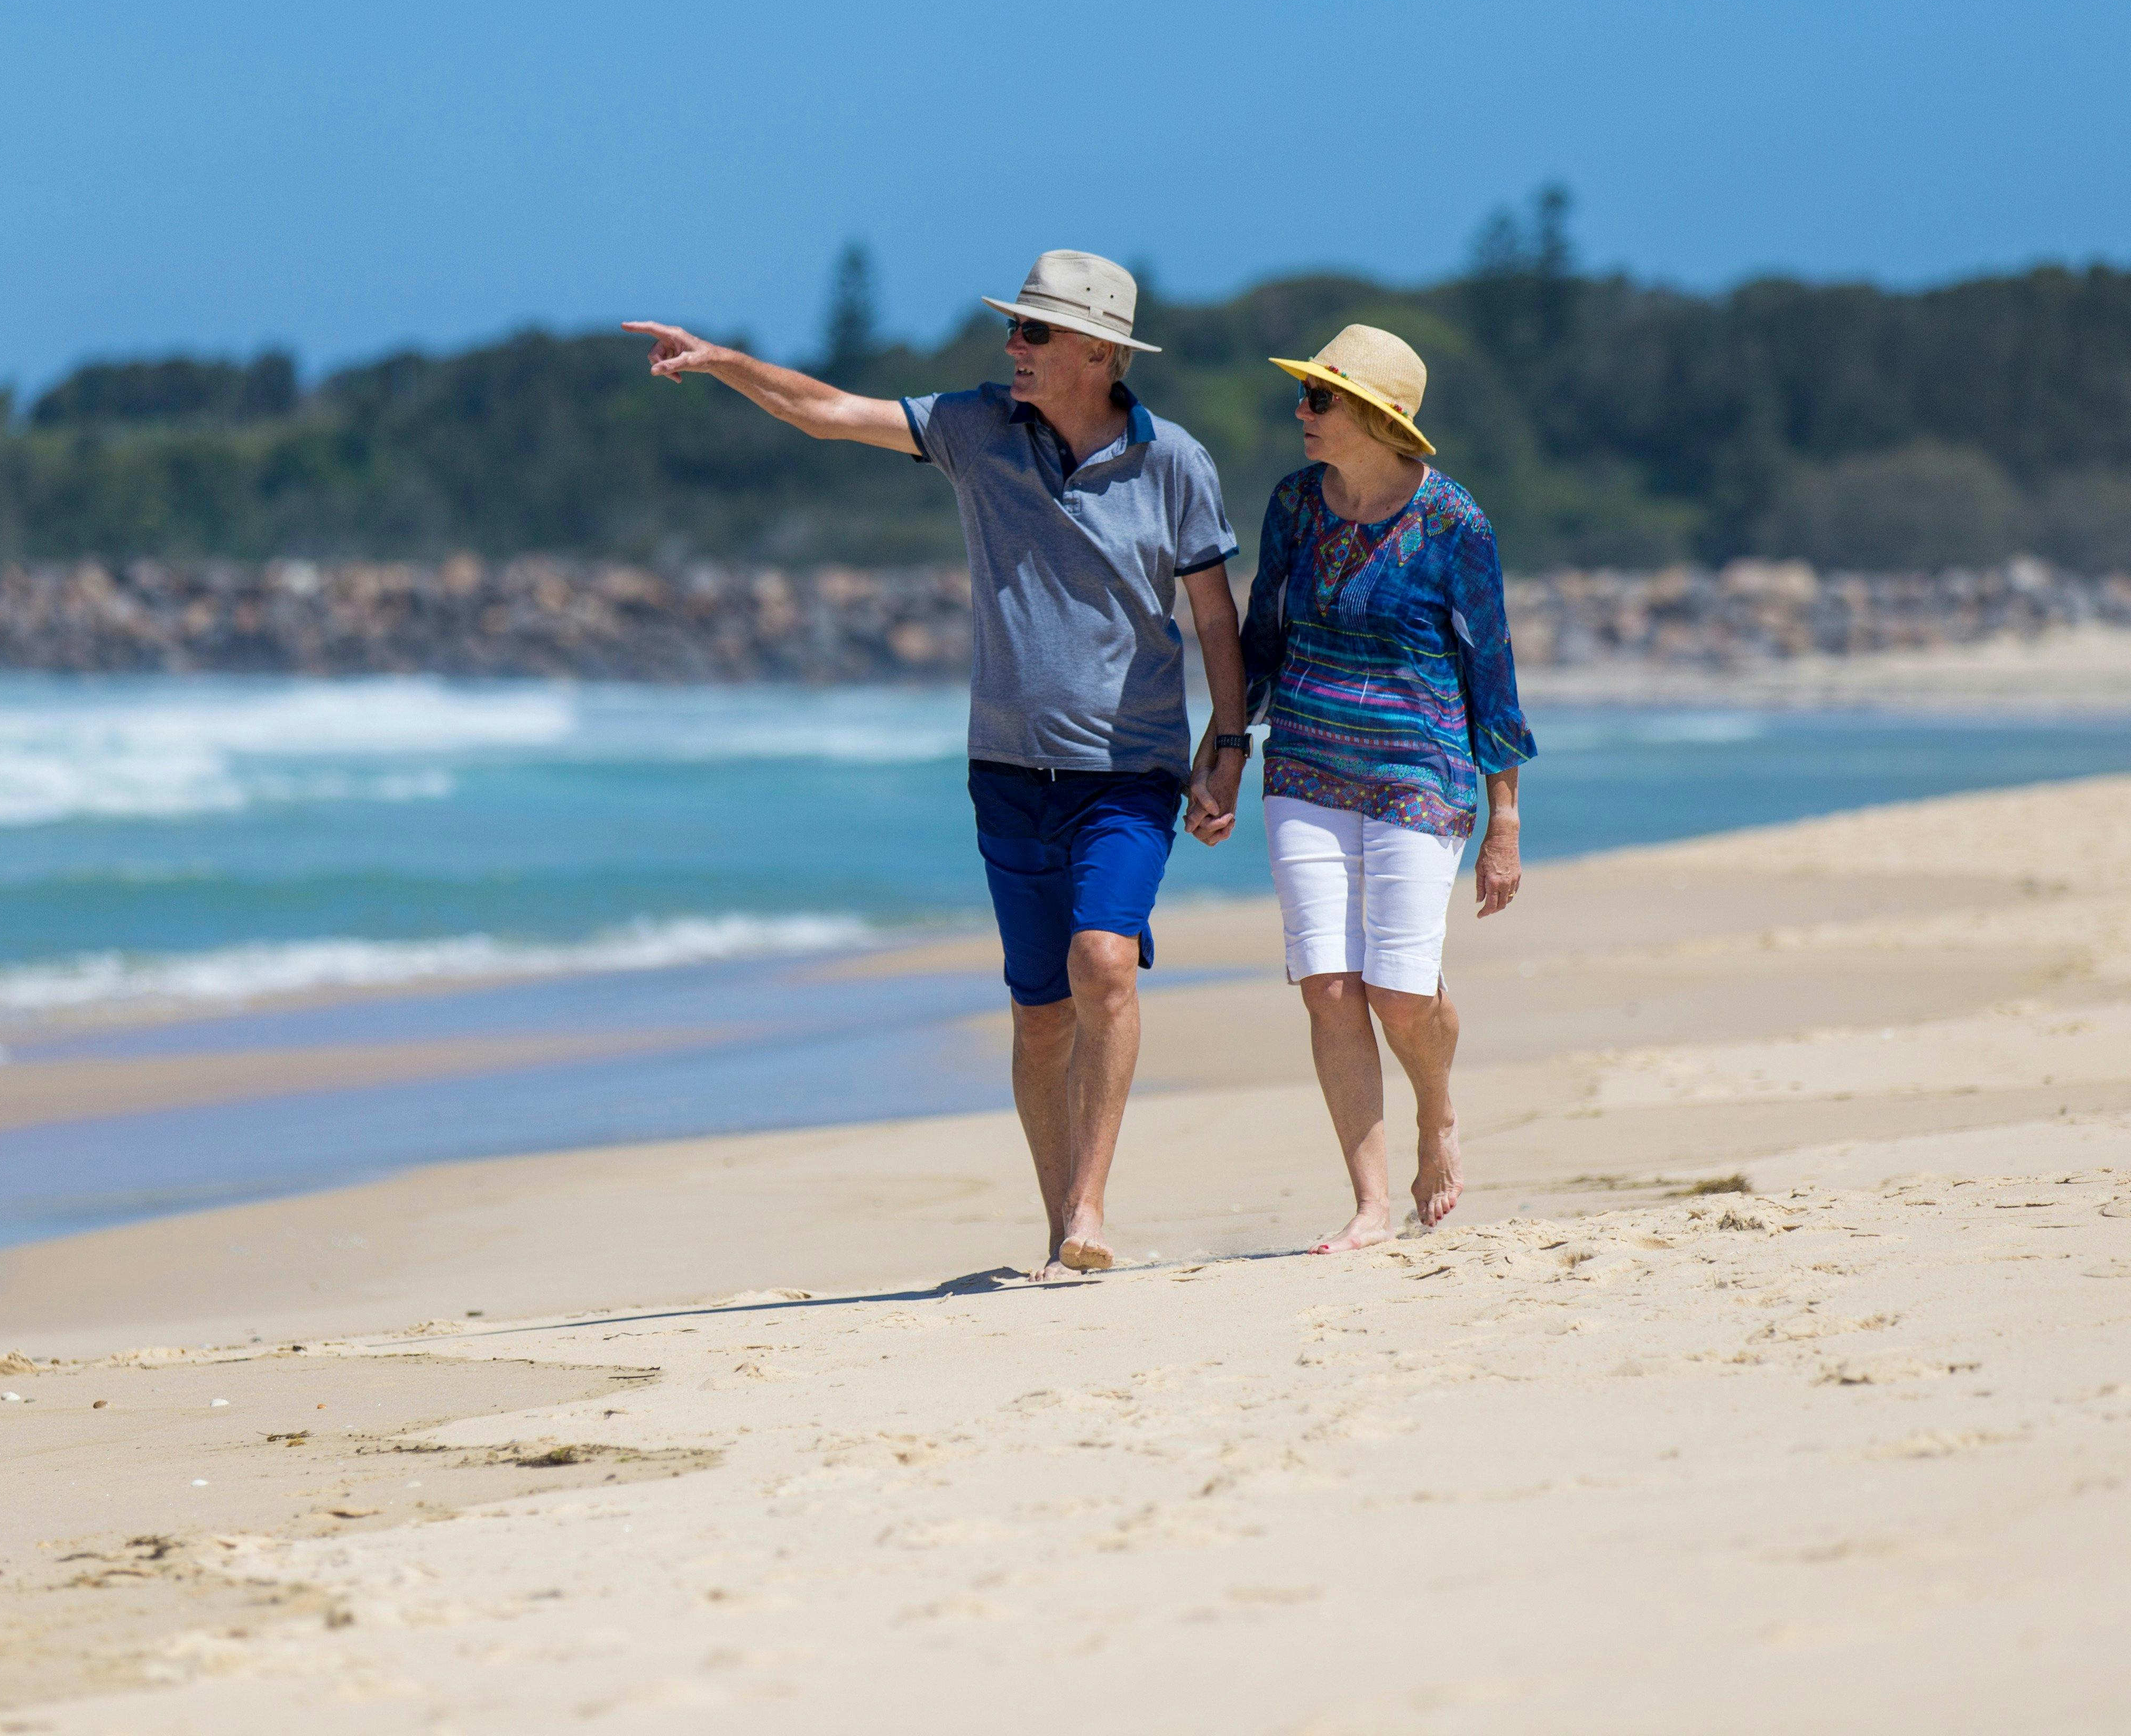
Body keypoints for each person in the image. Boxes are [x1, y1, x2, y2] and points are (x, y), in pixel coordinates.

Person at [625, 252, 1249, 1278]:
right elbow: (827, 413)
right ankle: (1061, 1233)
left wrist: (1227, 748)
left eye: (1034, 334)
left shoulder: (1172, 460)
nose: (1014, 346)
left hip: (1128, 769)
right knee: (1040, 1019)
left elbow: (1215, 616)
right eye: (1016, 330)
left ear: (1098, 351)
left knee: (1104, 963)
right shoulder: (972, 428)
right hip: (1005, 765)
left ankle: (1091, 1208)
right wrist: (726, 360)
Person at [1238, 325, 1536, 1253]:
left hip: (1421, 764)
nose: (1302, 411)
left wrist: (1505, 822)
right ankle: (1368, 1203)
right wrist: (1221, 751)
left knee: (1398, 993)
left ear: (1378, 416)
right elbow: (1261, 635)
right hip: (1304, 760)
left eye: (1319, 398)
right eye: (1306, 396)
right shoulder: (1293, 503)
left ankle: (1436, 1116)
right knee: (1328, 984)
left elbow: (1491, 672)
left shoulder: (1455, 524)